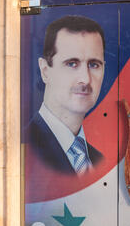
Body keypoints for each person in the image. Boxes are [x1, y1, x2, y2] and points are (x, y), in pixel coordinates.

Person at [25, 15, 105, 175]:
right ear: (45, 71)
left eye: (94, 64)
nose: (85, 79)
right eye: (72, 64)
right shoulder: (24, 147)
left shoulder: (97, 160)